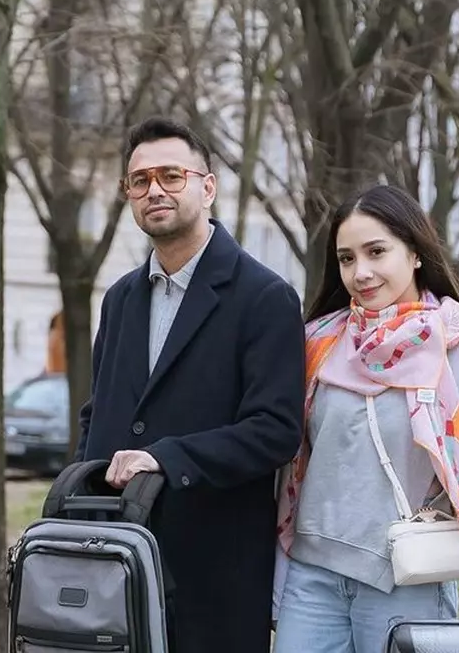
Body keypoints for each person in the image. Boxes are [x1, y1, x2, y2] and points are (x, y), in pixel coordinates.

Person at [271, 184, 459, 652]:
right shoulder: (316, 345)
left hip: (411, 577)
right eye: (346, 258)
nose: (360, 272)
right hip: (312, 576)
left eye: (377, 251)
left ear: (416, 253)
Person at [76, 117, 305, 653]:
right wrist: (83, 505)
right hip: (118, 561)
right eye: (139, 180)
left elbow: (276, 431)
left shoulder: (265, 298)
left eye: (171, 175)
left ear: (208, 186)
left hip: (214, 576)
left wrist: (166, 458)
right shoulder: (119, 299)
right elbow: (99, 412)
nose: (154, 189)